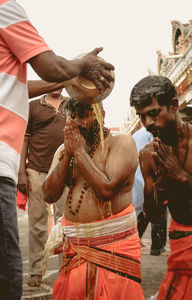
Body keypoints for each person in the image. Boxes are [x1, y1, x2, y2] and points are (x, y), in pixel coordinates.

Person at [0, 1, 114, 299]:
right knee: (5, 276)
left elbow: (16, 85)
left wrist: (68, 76)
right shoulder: (1, 7)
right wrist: (80, 65)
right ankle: (37, 270)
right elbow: (51, 65)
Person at [42, 98, 144, 300]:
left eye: (84, 115)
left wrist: (79, 152)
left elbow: (106, 190)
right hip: (75, 252)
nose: (78, 122)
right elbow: (49, 194)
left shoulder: (121, 143)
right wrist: (68, 155)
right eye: (73, 116)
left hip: (114, 251)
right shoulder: (64, 151)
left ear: (101, 115)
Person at [130, 75, 192, 299]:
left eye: (154, 113)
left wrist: (182, 176)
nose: (147, 122)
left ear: (174, 106)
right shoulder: (148, 155)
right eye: (141, 116)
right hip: (181, 249)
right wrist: (155, 188)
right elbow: (155, 217)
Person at [17, 86, 67, 287]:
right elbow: (24, 140)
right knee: (37, 224)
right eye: (51, 80)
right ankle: (37, 270)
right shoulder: (33, 106)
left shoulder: (71, 105)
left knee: (66, 224)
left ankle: (67, 268)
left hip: (65, 173)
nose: (56, 84)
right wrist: (21, 172)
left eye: (60, 80)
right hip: (36, 171)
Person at [132, 126, 168, 256]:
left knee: (144, 212)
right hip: (148, 177)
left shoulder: (137, 134)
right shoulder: (153, 132)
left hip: (137, 177)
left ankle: (135, 240)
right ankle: (158, 248)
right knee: (159, 210)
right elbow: (156, 154)